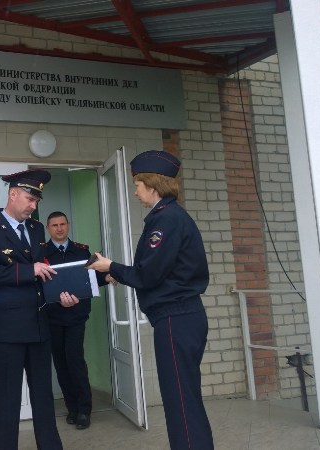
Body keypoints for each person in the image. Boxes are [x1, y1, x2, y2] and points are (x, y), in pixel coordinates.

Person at [83, 150, 214, 449]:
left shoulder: (165, 219)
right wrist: (121, 274)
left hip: (176, 319)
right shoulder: (170, 216)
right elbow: (158, 270)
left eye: (138, 185)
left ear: (152, 185)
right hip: (182, 317)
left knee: (180, 401)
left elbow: (149, 275)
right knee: (185, 398)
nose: (135, 191)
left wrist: (110, 267)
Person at [0, 169, 68, 450]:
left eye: (36, 201)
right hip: (6, 330)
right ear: (12, 195)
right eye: (29, 199)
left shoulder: (37, 229)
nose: (33, 206)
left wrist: (63, 294)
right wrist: (29, 270)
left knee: (43, 400)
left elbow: (46, 272)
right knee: (5, 402)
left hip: (39, 327)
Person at [44, 211, 113, 430]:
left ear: (68, 225)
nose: (59, 228)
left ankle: (84, 409)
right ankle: (72, 408)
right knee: (61, 364)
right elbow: (39, 285)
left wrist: (110, 276)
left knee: (74, 360)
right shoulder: (41, 253)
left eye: (62, 224)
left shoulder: (82, 251)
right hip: (52, 317)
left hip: (76, 316)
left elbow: (93, 277)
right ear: (49, 228)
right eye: (54, 225)